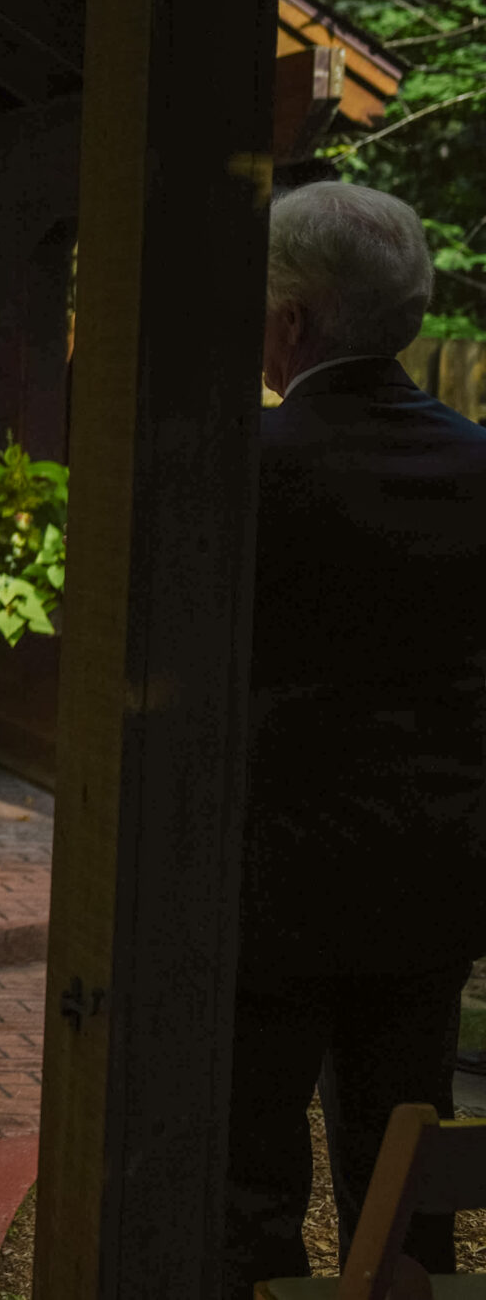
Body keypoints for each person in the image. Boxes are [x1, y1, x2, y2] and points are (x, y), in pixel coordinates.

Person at [221, 181, 486, 1296]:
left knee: (245, 1188)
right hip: (434, 880)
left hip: (264, 883)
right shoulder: (477, 466)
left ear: (290, 322)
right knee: (407, 1163)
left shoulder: (244, 467)